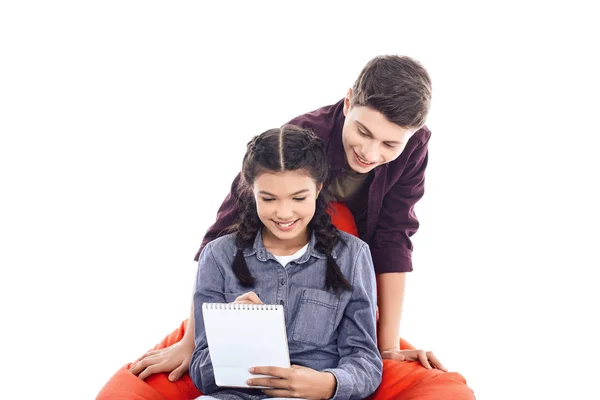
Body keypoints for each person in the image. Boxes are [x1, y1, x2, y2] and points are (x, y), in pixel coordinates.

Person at [97, 55, 475, 400]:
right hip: (253, 285)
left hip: (339, 286)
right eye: (363, 132)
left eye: (389, 144)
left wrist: (385, 345)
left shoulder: (362, 234)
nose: (371, 153)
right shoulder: (298, 142)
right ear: (347, 103)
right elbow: (224, 232)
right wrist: (197, 338)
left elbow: (394, 237)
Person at [191, 125, 382, 400]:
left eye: (298, 198)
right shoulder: (218, 257)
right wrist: (233, 334)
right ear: (251, 191)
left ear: (318, 189)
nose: (283, 213)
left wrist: (328, 384)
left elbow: (365, 358)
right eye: (268, 199)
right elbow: (201, 374)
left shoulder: (352, 255)